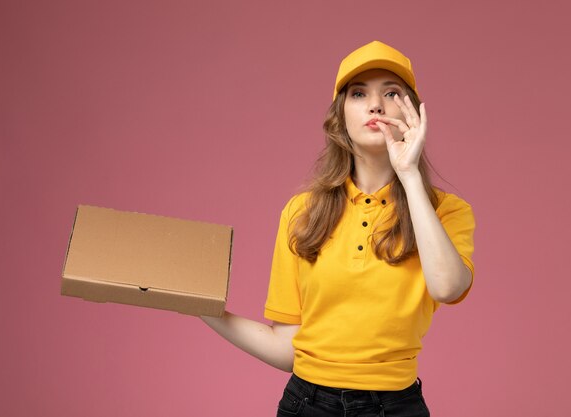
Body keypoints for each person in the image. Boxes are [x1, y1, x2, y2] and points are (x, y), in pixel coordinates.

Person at [201, 40, 475, 417]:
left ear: (412, 112)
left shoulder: (446, 211)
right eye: (359, 93)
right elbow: (287, 349)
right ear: (340, 117)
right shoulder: (302, 212)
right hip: (307, 405)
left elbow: (447, 287)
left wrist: (409, 175)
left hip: (396, 406)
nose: (375, 104)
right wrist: (198, 306)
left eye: (391, 93)